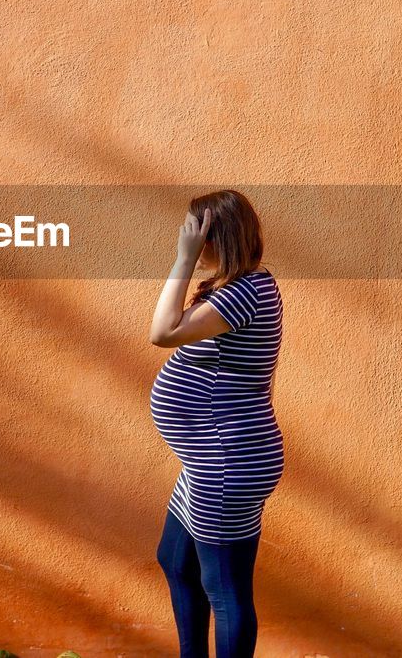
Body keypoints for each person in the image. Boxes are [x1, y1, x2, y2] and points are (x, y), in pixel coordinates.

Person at [148, 189, 285, 658]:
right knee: (176, 561)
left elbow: (162, 332)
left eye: (194, 232)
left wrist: (182, 260)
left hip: (225, 463)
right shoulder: (239, 288)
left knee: (225, 590)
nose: (187, 240)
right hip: (212, 459)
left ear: (213, 238)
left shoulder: (246, 292)